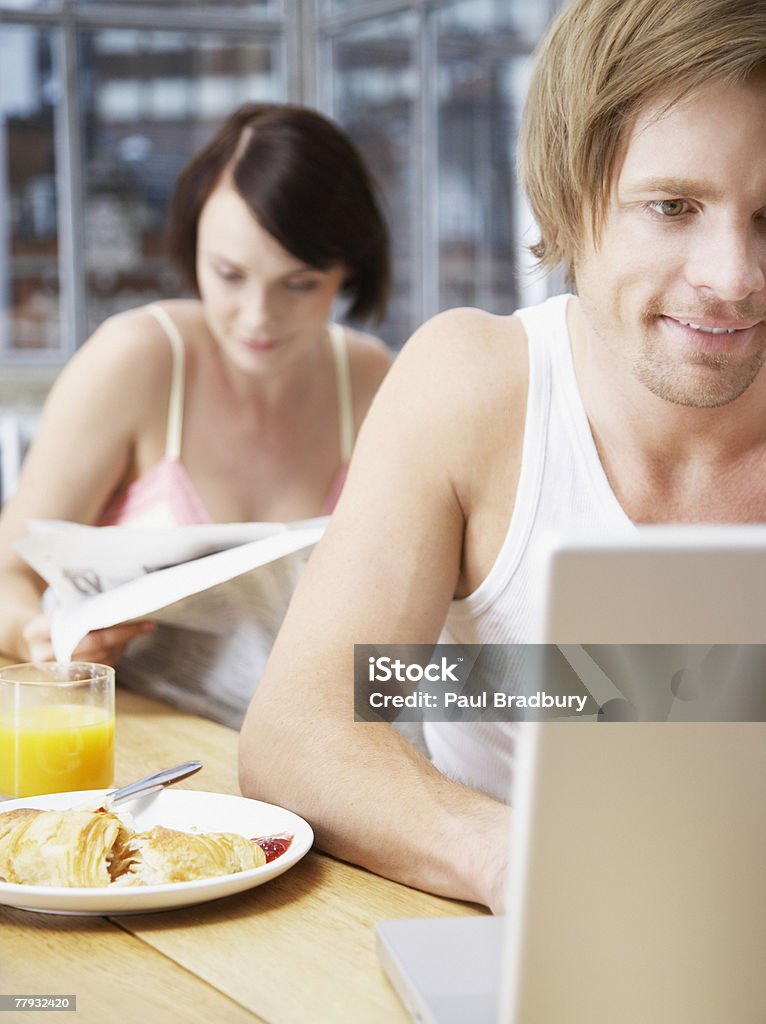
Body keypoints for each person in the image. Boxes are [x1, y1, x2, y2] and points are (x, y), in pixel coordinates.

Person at [239, 0, 766, 913]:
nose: (733, 277)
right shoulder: (476, 387)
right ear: (566, 198)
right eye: (672, 207)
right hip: (534, 938)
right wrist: (513, 860)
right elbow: (300, 729)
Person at [0, 103, 392, 670]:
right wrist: (34, 633)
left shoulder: (372, 378)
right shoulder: (138, 358)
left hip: (299, 739)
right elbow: (6, 573)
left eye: (300, 284)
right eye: (230, 275)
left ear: (348, 270)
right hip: (148, 737)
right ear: (191, 248)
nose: (259, 317)